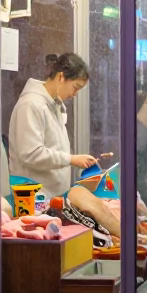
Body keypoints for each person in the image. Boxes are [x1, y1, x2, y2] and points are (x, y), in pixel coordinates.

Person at [8, 52, 96, 200]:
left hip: (52, 197)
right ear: (60, 77)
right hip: (33, 199)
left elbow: (54, 147)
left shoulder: (53, 104)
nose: (75, 94)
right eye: (75, 87)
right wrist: (71, 159)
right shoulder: (31, 104)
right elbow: (31, 154)